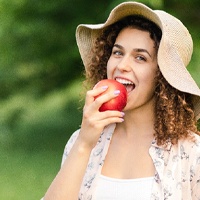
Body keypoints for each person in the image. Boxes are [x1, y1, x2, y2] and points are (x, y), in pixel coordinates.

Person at [43, 1, 200, 199]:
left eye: (140, 57)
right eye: (117, 52)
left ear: (163, 77)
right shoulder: (81, 142)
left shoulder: (192, 153)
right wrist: (84, 144)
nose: (122, 65)